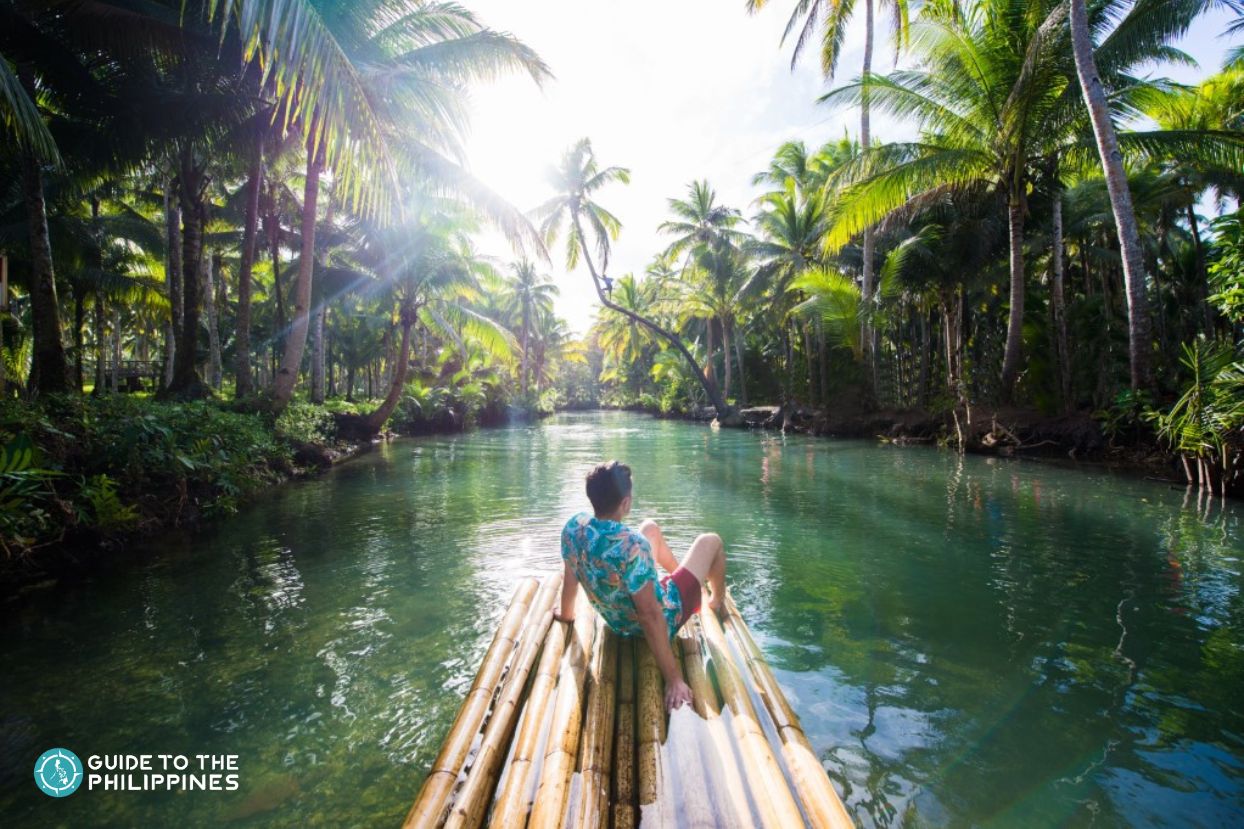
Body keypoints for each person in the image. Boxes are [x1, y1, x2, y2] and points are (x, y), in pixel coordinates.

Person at [557, 460, 727, 711]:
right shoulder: (633, 546)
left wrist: (565, 614)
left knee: (650, 528)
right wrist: (674, 679)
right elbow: (650, 616)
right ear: (625, 503)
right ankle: (715, 601)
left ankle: (684, 578)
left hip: (616, 619)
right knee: (711, 541)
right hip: (653, 620)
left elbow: (570, 573)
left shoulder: (574, 528)